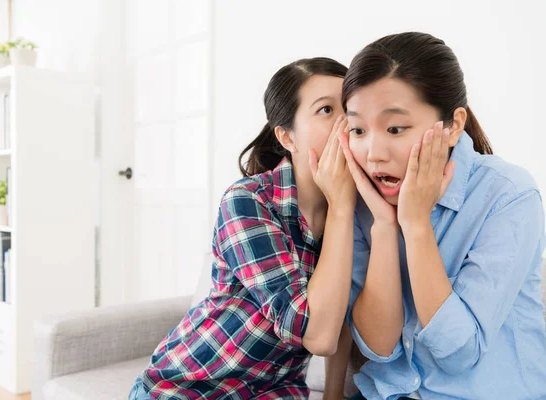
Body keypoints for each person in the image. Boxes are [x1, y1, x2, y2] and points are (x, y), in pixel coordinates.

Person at [129, 57, 358, 399]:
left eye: (350, 110)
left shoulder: (356, 208)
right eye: (325, 110)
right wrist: (342, 206)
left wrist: (334, 395)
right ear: (287, 136)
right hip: (189, 388)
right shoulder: (249, 201)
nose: (345, 124)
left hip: (275, 391)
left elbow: (342, 315)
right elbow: (318, 334)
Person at [338, 32, 546, 400]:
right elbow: (380, 347)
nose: (373, 154)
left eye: (395, 129)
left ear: (453, 125)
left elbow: (459, 353)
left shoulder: (509, 195)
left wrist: (416, 226)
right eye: (357, 130)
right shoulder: (363, 204)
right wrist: (385, 225)